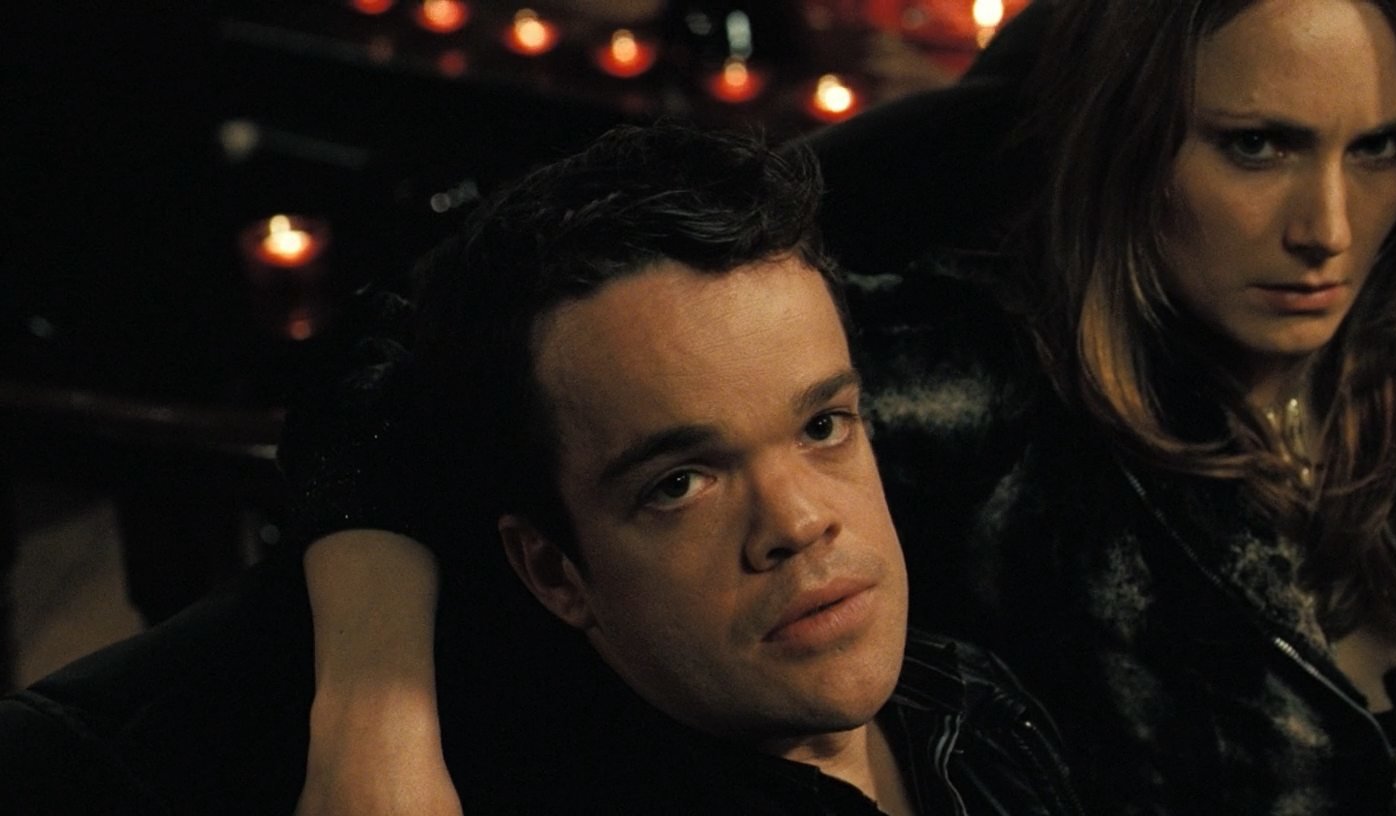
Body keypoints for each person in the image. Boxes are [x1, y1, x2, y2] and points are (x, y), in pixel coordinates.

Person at [291, 1, 1396, 813]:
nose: (1328, 231)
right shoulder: (980, 382)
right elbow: (429, 352)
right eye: (1256, 146)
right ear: (1133, 144)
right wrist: (373, 719)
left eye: (1382, 150)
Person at [0, 124, 1079, 816]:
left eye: (822, 425)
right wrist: (373, 713)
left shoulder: (972, 702)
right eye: (678, 482)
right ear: (556, 573)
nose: (798, 521)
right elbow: (379, 374)